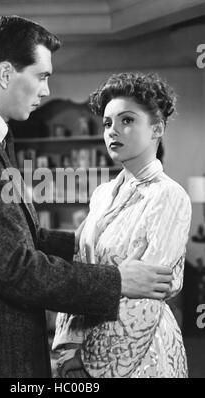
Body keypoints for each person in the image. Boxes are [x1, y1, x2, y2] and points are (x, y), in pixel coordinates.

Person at [0, 17, 173, 378]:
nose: (46, 90)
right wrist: (117, 280)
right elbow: (17, 269)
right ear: (6, 74)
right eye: (41, 76)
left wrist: (94, 241)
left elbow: (27, 239)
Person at [53, 72, 192, 378]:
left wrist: (90, 364)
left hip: (140, 354)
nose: (113, 130)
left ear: (157, 128)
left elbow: (147, 297)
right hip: (83, 346)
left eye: (127, 120)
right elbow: (80, 269)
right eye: (107, 123)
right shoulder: (102, 194)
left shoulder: (168, 196)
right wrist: (68, 350)